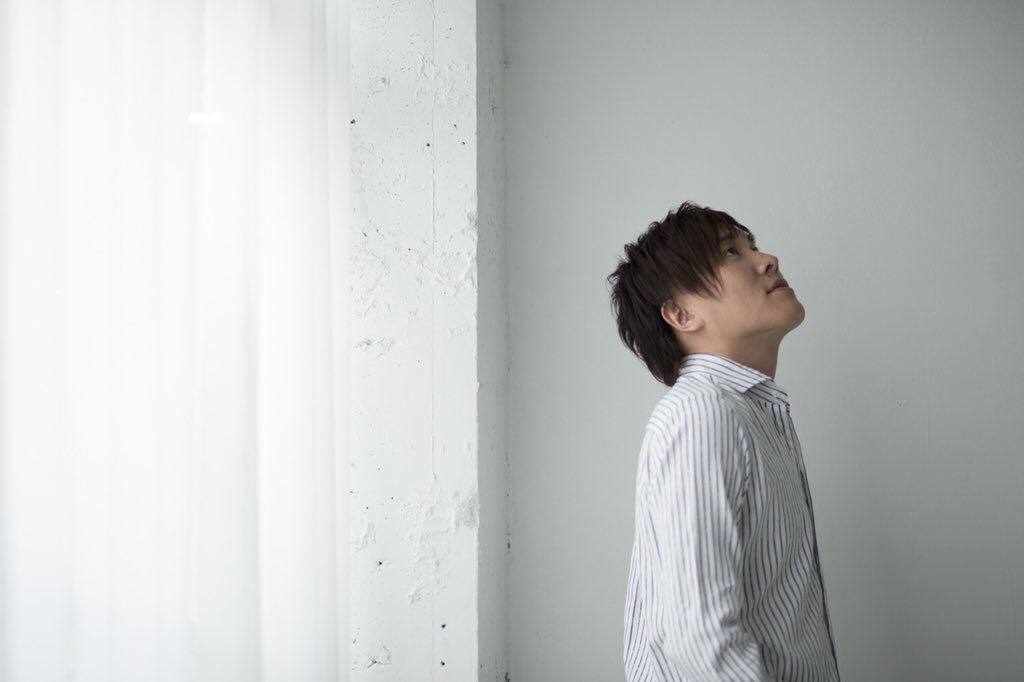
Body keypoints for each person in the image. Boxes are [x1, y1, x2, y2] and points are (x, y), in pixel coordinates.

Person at [607, 201, 840, 681]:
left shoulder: (752, 412)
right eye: (731, 252)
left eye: (752, 246)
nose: (767, 259)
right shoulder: (703, 413)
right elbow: (699, 637)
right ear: (681, 313)